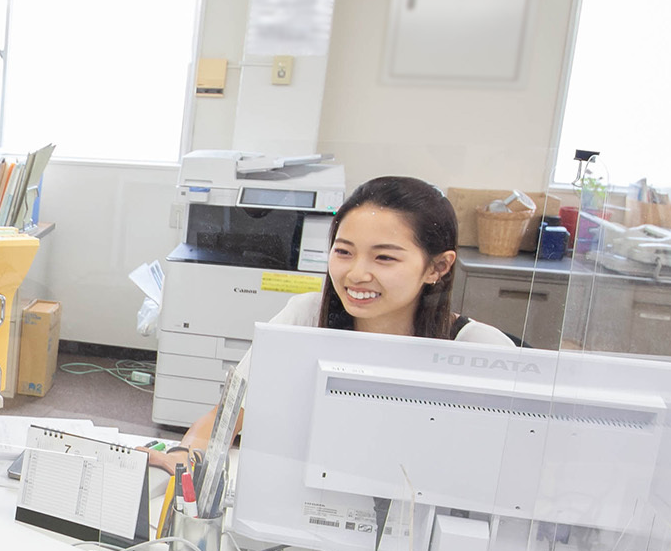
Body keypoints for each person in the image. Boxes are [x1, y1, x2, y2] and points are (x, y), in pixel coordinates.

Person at [154, 175, 516, 470]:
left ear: (437, 267)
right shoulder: (306, 317)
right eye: (343, 252)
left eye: (385, 258)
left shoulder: (479, 348)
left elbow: (498, 468)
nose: (356, 274)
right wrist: (186, 456)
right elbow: (230, 415)